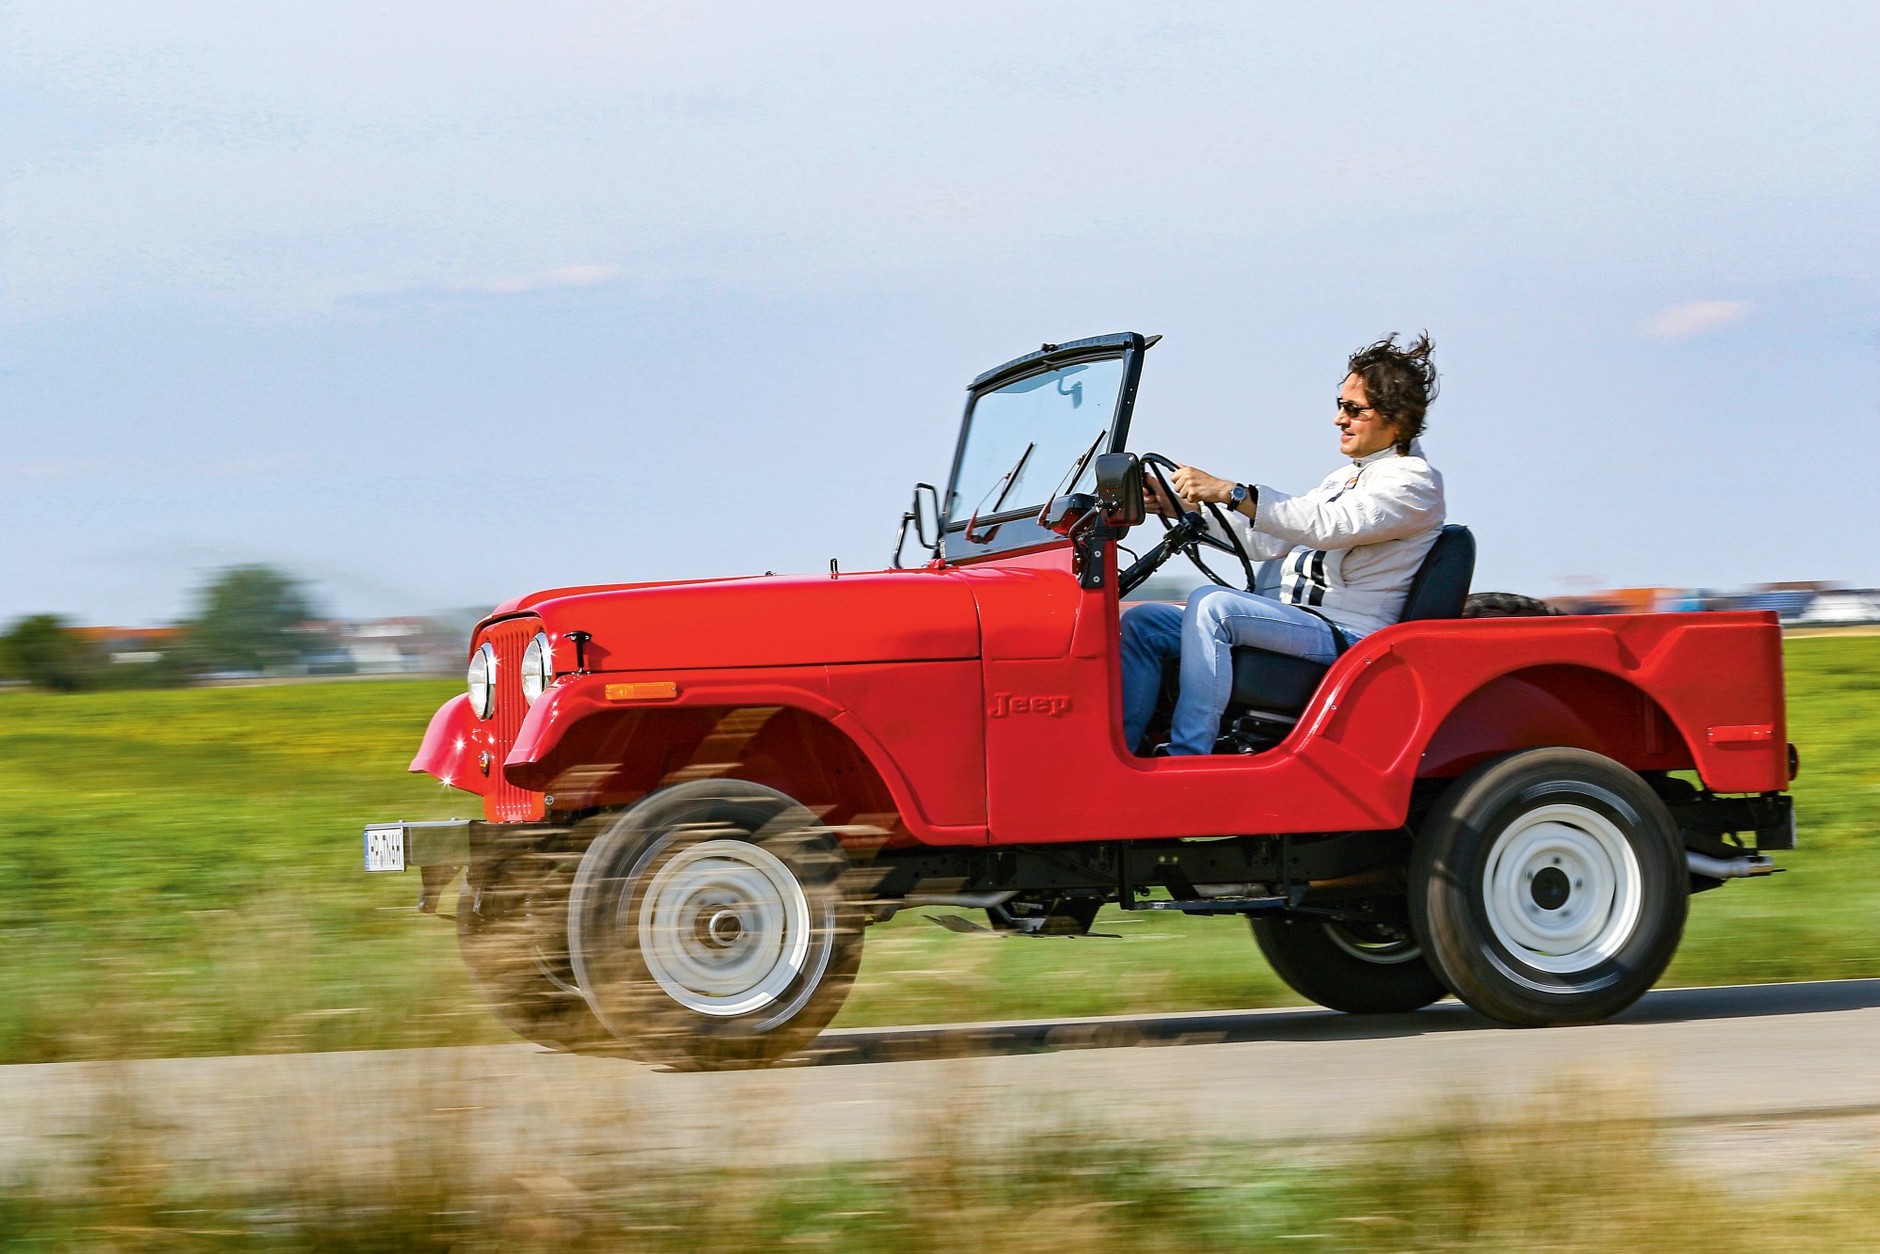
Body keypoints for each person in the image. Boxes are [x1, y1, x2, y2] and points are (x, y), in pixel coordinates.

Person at [1120, 333, 1446, 755]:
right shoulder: (1343, 478)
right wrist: (1177, 506)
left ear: (1396, 420)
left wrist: (1231, 491)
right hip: (1301, 621)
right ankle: (1122, 756)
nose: (1339, 419)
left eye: (1354, 409)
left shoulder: (1414, 482)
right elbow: (1269, 539)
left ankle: (1188, 756)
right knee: (1145, 623)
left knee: (1214, 606)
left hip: (1351, 636)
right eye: (1339, 405)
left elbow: (1327, 526)